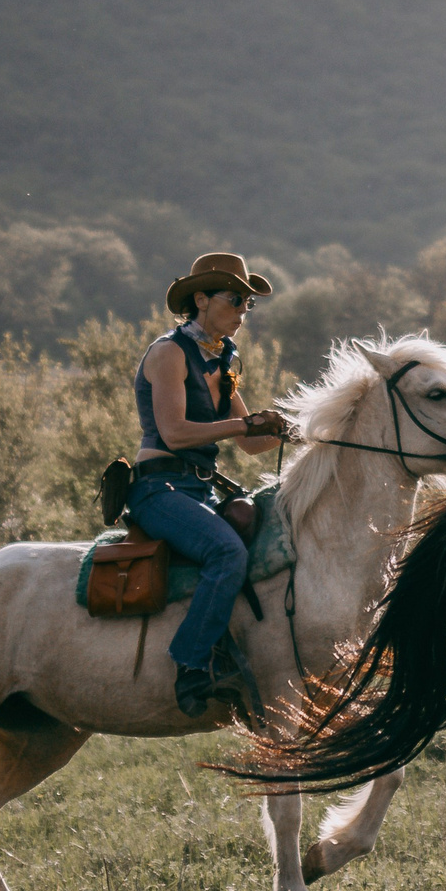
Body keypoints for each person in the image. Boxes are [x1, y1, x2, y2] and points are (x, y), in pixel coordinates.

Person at [130, 251, 295, 716]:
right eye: (235, 300)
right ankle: (191, 664)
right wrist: (248, 426)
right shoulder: (168, 353)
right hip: (157, 490)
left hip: (197, 491)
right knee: (227, 551)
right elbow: (175, 433)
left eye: (248, 304)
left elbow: (251, 444)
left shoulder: (224, 358)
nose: (243, 312)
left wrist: (298, 433)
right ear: (200, 299)